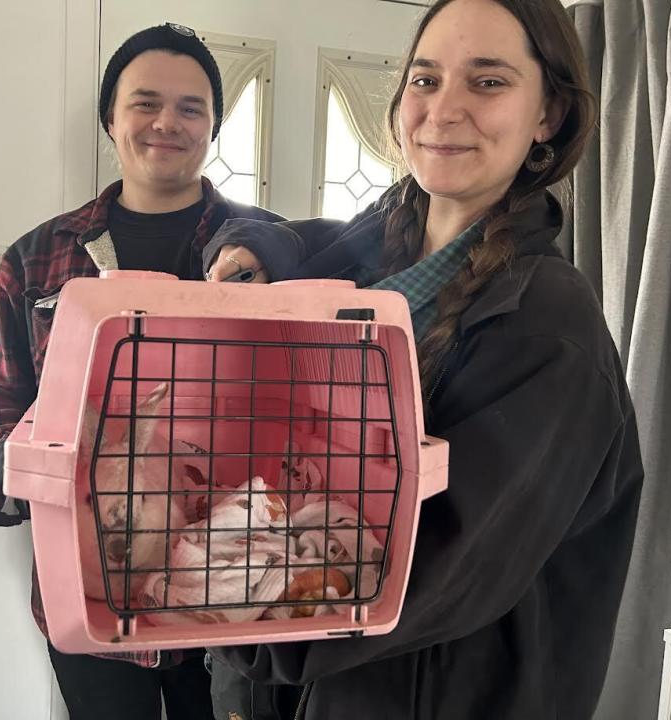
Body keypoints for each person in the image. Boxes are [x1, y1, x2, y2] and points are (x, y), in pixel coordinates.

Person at [202, 1, 644, 718]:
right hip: (303, 684)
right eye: (426, 79)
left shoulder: (548, 331)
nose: (444, 109)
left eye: (489, 82)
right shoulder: (386, 243)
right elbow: (297, 242)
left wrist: (213, 614)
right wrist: (250, 246)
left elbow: (435, 568)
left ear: (549, 114)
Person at [0, 23, 282, 720]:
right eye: (145, 103)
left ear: (215, 126)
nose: (167, 122)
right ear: (111, 118)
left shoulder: (267, 250)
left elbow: (308, 407)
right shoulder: (38, 255)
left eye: (191, 107)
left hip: (235, 593)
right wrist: (50, 482)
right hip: (86, 589)